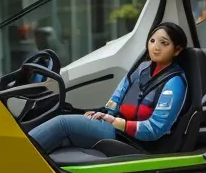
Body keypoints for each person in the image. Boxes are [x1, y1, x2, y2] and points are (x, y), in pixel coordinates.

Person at [29, 22, 189, 153]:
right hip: (117, 128)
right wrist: (104, 113)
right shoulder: (141, 69)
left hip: (133, 140)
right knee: (62, 128)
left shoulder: (174, 82)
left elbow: (155, 129)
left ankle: (21, 155)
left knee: (62, 123)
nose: (156, 47)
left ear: (177, 50)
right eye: (152, 41)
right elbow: (116, 99)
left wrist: (116, 122)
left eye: (164, 43)